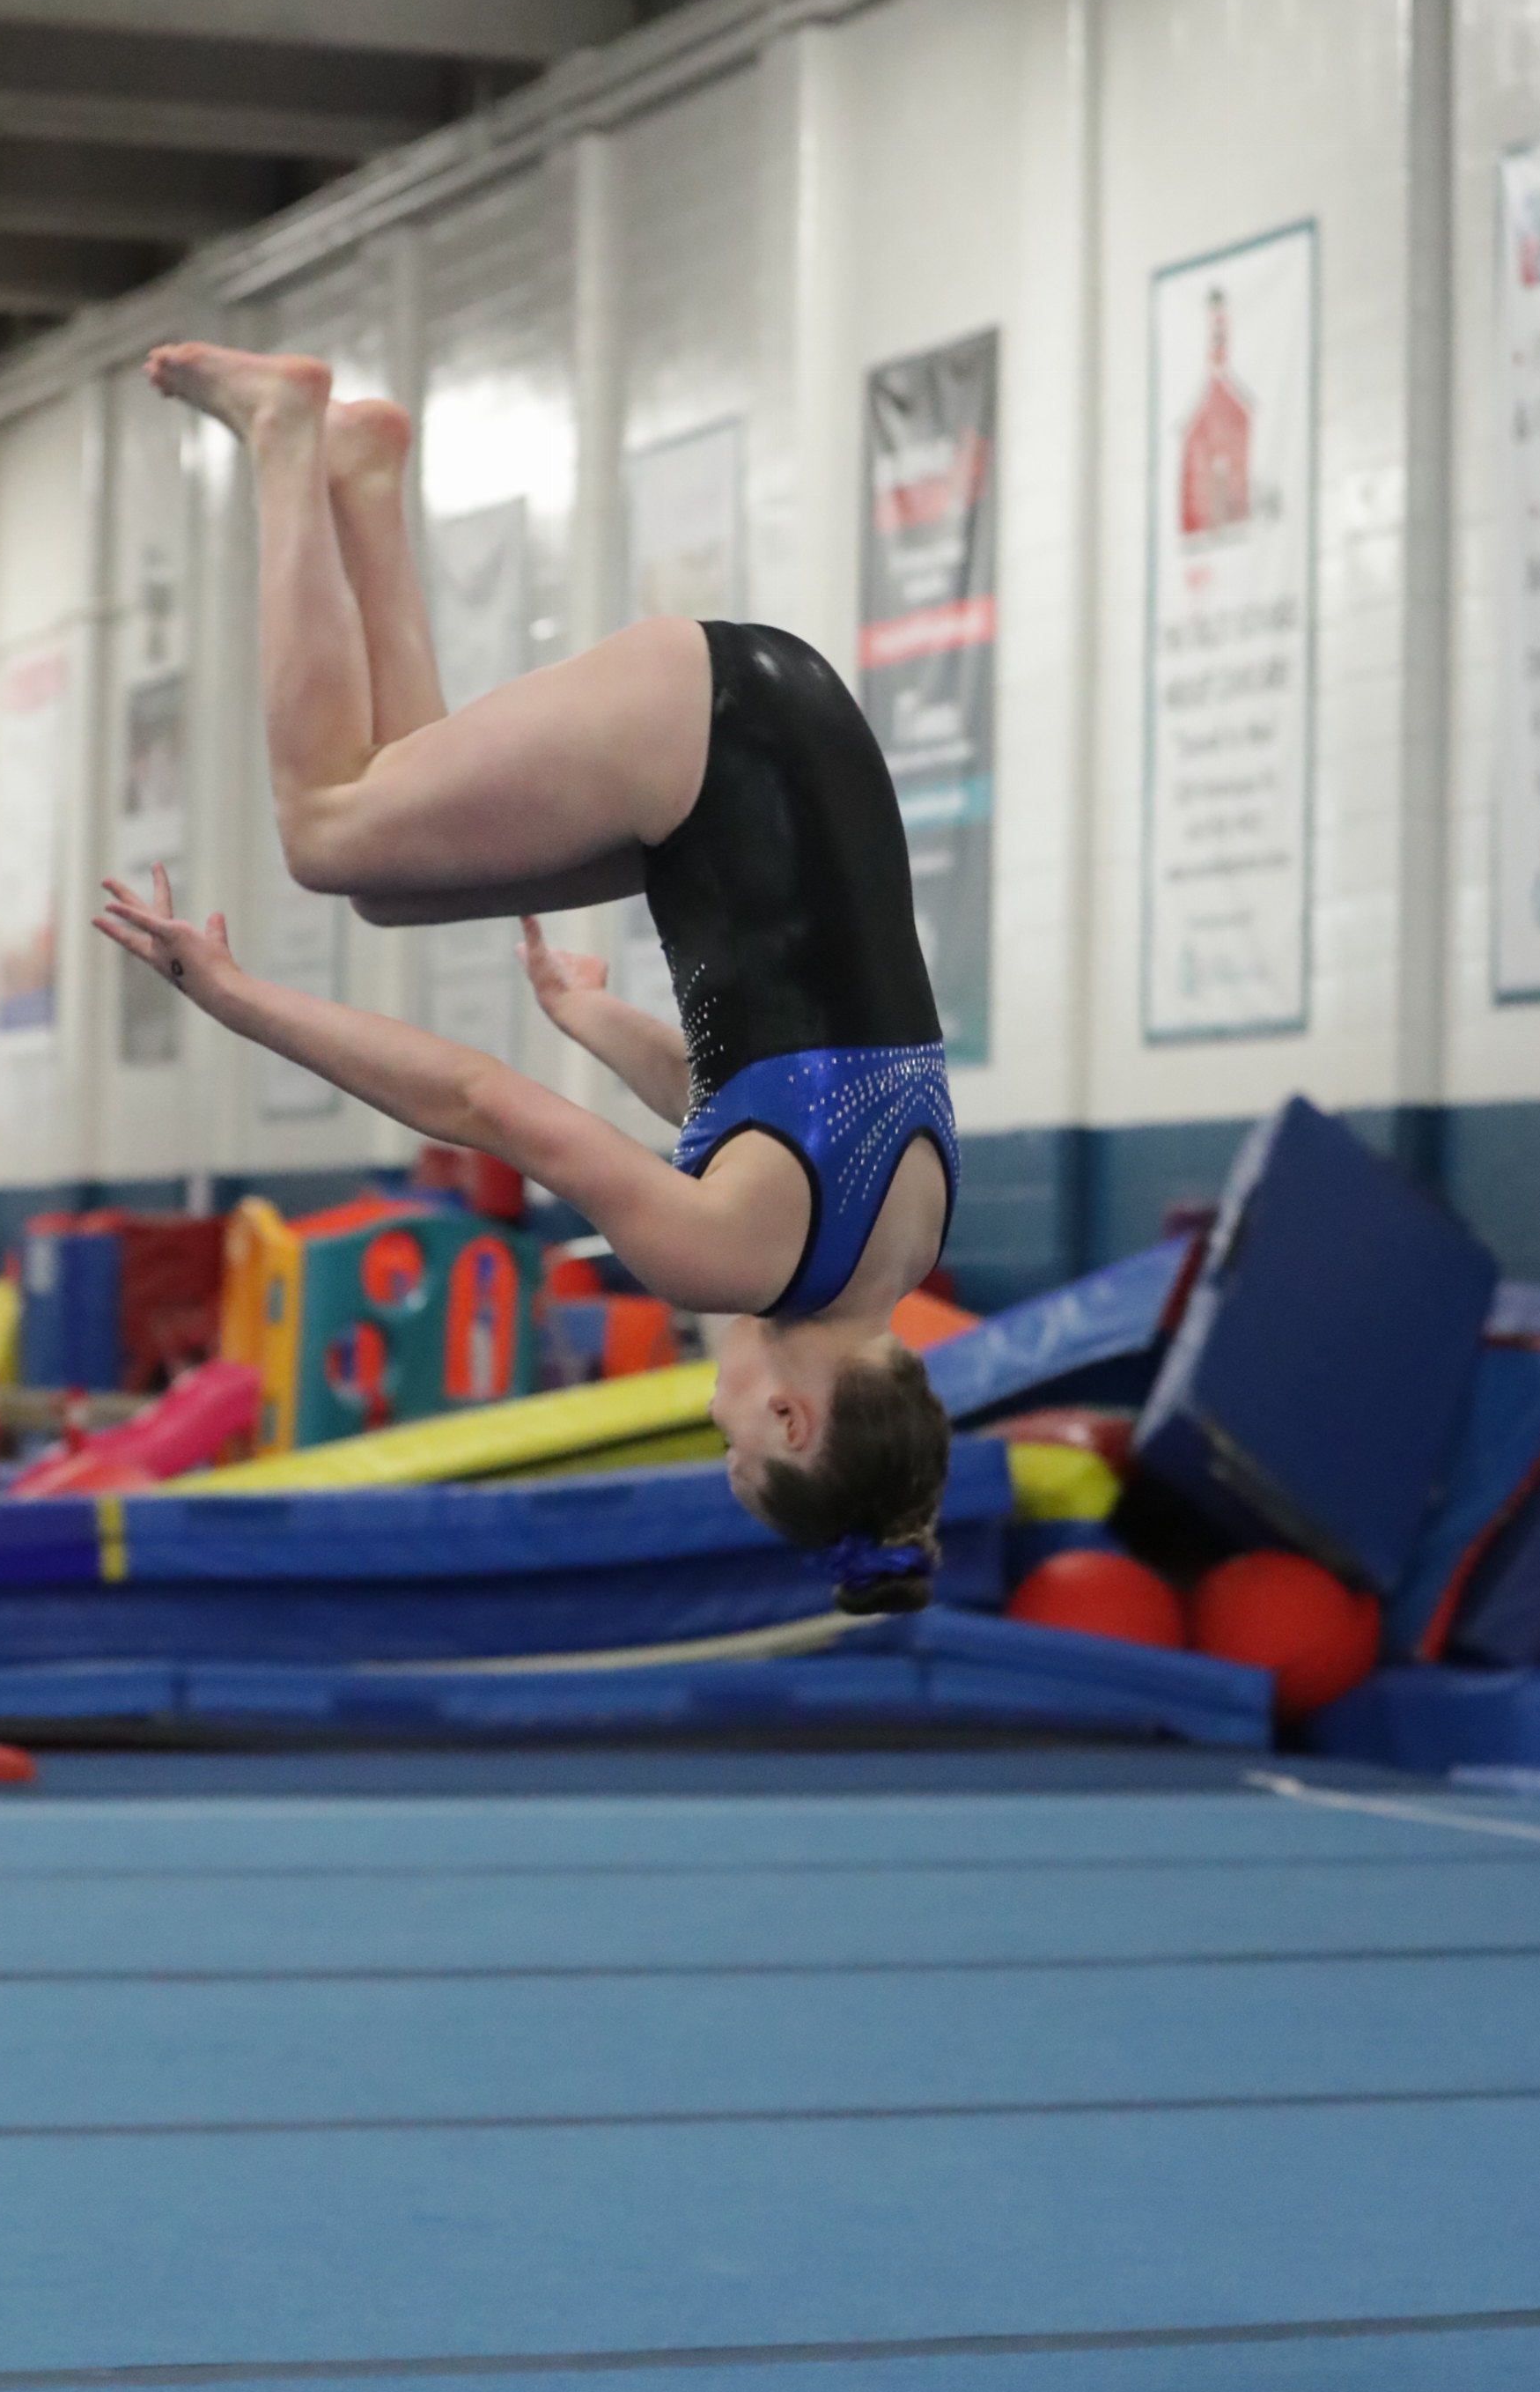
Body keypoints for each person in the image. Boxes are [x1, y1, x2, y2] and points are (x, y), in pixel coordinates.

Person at [95, 344, 956, 1611]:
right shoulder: (728, 1265)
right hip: (710, 740)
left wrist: (589, 1015)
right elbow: (478, 1101)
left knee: (391, 879)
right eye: (734, 1449)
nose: (716, 1420)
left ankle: (363, 478)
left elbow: (746, 1100)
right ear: (791, 1421)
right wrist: (238, 1000)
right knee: (326, 830)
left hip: (778, 744)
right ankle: (284, 431)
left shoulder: (900, 1240)